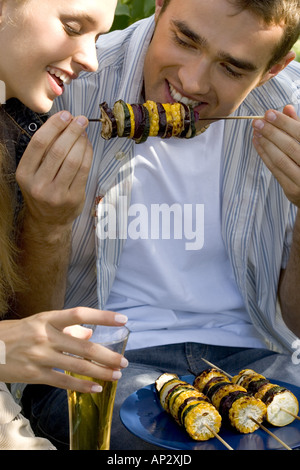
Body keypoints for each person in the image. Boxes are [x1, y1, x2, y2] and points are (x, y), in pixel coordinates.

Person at [21, 0, 300, 450]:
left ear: (272, 69)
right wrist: (46, 223)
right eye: (185, 39)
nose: (191, 82)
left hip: (259, 360)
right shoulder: (68, 82)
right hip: (102, 358)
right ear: (158, 7)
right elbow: (27, 323)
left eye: (232, 68)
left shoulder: (293, 110)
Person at [0, 0, 129, 450]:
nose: (92, 60)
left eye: (97, 38)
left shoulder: (16, 127)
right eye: (73, 26)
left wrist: (49, 220)